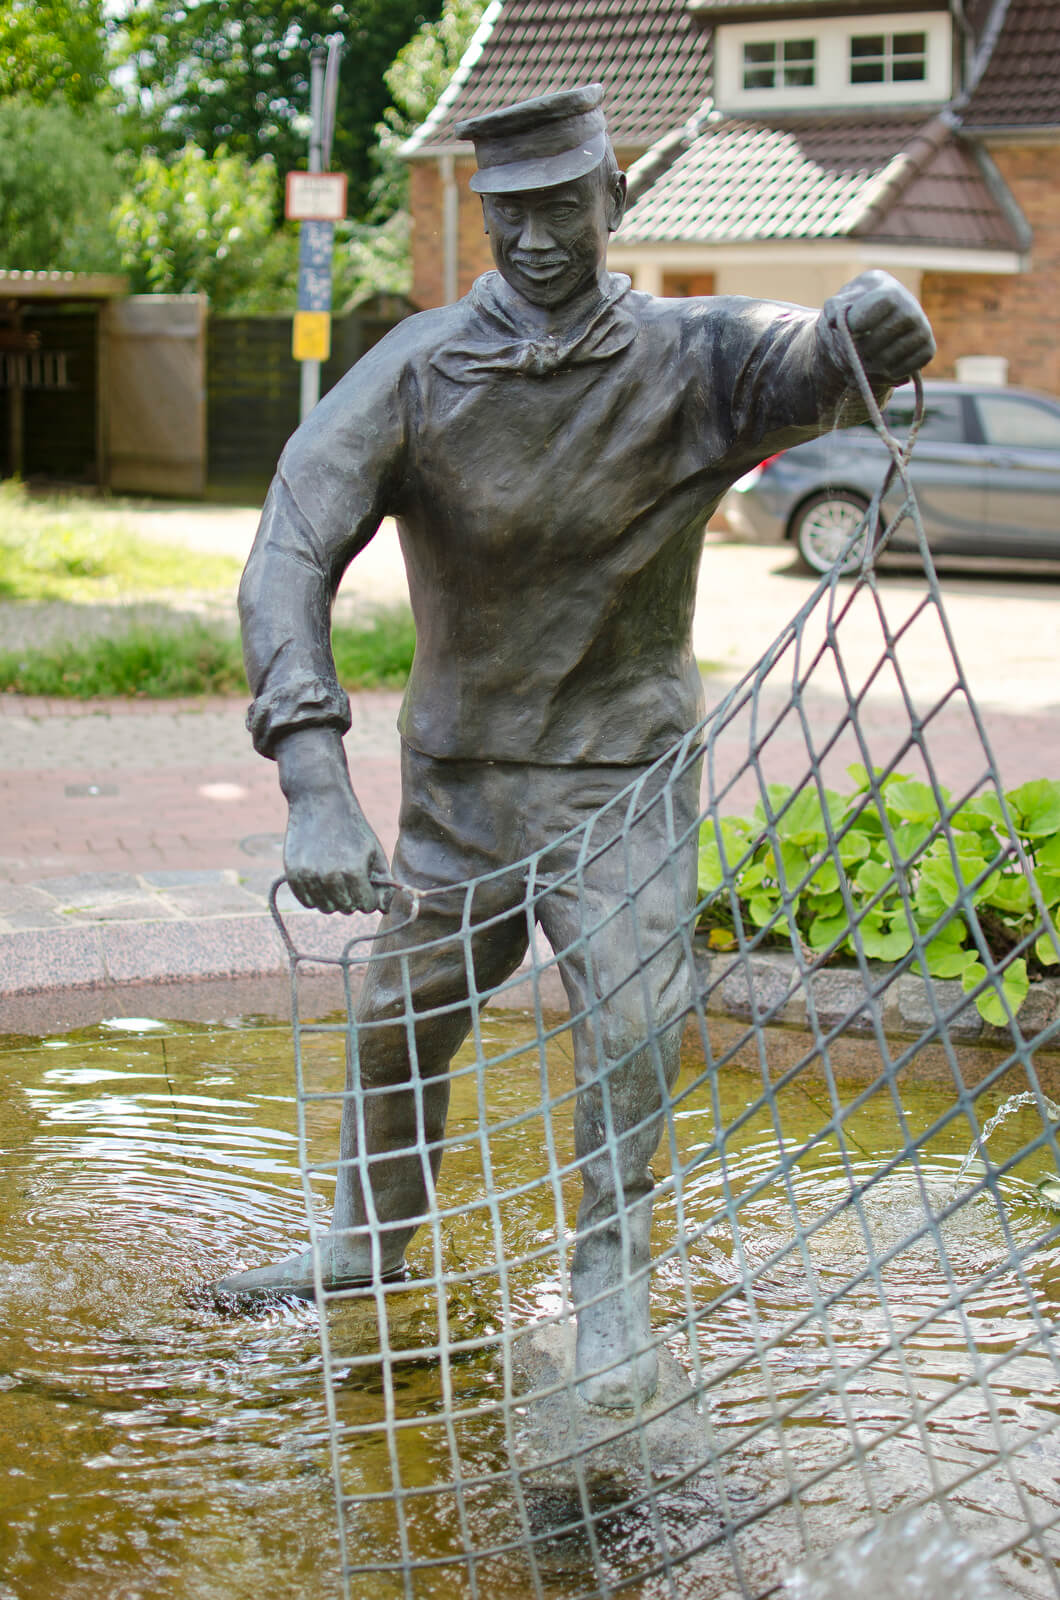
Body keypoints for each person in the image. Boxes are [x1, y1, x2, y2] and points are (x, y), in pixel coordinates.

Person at [214, 84, 935, 1408]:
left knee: (637, 1018)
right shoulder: (419, 371)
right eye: (509, 216)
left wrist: (864, 327)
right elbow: (289, 550)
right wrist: (315, 781)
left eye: (562, 209)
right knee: (394, 1025)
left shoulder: (690, 358)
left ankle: (607, 1274)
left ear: (615, 201)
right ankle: (364, 1244)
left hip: (624, 786)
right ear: (479, 214)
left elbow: (809, 357)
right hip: (460, 796)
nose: (537, 241)